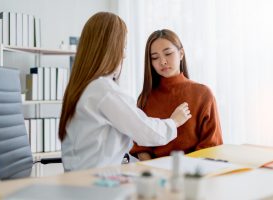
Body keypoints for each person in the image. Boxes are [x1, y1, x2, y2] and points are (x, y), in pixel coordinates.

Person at [58, 13, 192, 171]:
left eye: (168, 54)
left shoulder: (83, 86)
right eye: (123, 46)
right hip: (95, 184)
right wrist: (174, 121)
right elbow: (146, 132)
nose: (125, 54)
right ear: (111, 48)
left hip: (80, 178)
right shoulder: (103, 91)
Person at [130, 29, 223, 161]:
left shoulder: (203, 94)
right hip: (156, 175)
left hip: (194, 173)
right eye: (155, 57)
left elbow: (212, 145)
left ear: (181, 53)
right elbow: (140, 146)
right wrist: (156, 172)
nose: (162, 61)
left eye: (168, 53)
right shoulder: (145, 98)